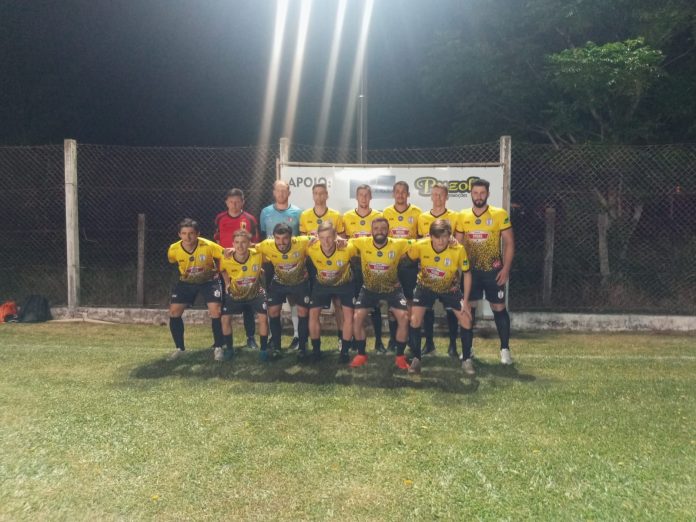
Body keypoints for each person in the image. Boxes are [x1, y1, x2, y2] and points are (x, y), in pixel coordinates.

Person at [456, 178, 515, 365]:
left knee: (498, 308)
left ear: (488, 194)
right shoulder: (463, 215)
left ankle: (505, 349)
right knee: (468, 309)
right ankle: (468, 349)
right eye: (475, 193)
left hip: (493, 271)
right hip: (470, 273)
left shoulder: (499, 214)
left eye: (482, 193)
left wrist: (506, 269)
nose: (479, 196)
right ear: (471, 194)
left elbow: (509, 243)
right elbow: (457, 246)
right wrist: (456, 272)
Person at [407, 220, 474, 375]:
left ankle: (467, 360)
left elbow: (467, 273)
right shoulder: (420, 245)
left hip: (450, 288)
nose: (441, 241)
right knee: (414, 319)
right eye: (437, 237)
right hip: (425, 287)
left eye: (444, 237)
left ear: (450, 236)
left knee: (466, 319)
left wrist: (466, 301)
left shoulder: (458, 249)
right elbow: (406, 255)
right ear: (430, 236)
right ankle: (416, 359)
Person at [349, 217, 413, 369]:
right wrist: (338, 241)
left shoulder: (398, 243)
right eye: (376, 228)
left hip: (392, 289)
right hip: (369, 289)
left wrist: (449, 241)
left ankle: (400, 356)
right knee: (357, 318)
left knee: (404, 317)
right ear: (371, 231)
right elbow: (344, 242)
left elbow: (420, 243)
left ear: (388, 231)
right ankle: (361, 354)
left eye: (383, 229)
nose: (380, 231)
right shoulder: (362, 242)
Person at [166, 218, 225, 360]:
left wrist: (221, 270)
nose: (187, 237)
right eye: (184, 233)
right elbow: (172, 260)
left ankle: (219, 347)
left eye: (191, 233)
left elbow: (225, 256)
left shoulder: (209, 245)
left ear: (198, 234)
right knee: (174, 312)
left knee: (216, 311)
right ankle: (180, 349)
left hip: (209, 281)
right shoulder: (173, 249)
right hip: (187, 281)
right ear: (179, 234)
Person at [417, 182, 462, 358]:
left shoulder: (455, 216)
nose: (437, 198)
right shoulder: (422, 217)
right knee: (426, 308)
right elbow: (419, 244)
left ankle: (453, 346)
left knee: (451, 308)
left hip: (448, 271)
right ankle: (429, 344)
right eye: (434, 194)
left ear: (447, 197)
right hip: (428, 271)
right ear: (430, 196)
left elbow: (458, 243)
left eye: (441, 194)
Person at [254, 223, 311, 359]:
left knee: (303, 312)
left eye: (285, 238)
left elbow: (321, 240)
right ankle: (277, 348)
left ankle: (302, 348)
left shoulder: (302, 242)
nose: (281, 242)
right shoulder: (266, 245)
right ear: (273, 237)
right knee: (273, 311)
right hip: (279, 282)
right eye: (278, 238)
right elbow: (251, 248)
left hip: (299, 282)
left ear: (291, 237)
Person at [300, 183, 346, 349]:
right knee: (313, 306)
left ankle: (341, 339)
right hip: (314, 264)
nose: (319, 196)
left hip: (334, 264)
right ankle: (309, 342)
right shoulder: (305, 215)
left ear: (327, 195)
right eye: (316, 193)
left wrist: (338, 239)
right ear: (313, 196)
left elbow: (343, 239)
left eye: (322, 193)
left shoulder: (335, 215)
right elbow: (302, 242)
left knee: (339, 303)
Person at [214, 188, 260, 350]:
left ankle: (250, 338)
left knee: (248, 304)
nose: (234, 205)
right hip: (226, 268)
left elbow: (255, 244)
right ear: (226, 202)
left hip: (245, 268)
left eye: (237, 202)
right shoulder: (220, 218)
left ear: (243, 202)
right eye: (231, 202)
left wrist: (238, 250)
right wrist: (219, 263)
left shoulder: (250, 219)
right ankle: (221, 339)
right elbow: (217, 243)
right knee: (222, 304)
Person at [259, 180, 303, 349]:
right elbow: (263, 236)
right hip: (272, 262)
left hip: (292, 262)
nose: (281, 194)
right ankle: (273, 336)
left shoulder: (298, 212)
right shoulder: (265, 212)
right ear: (274, 192)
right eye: (278, 190)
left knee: (293, 299)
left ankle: (297, 335)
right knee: (272, 302)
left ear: (289, 193)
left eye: (284, 191)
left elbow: (301, 238)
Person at [342, 184, 386, 353]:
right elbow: (343, 243)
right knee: (355, 305)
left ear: (371, 197)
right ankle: (354, 340)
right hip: (354, 266)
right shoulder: (347, 216)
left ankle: (379, 342)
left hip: (372, 266)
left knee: (375, 305)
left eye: (367, 195)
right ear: (356, 197)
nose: (364, 198)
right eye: (361, 195)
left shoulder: (378, 216)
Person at [306, 222, 356, 362]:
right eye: (322, 237)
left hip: (344, 284)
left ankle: (345, 352)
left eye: (329, 237)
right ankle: (316, 351)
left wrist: (342, 239)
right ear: (317, 237)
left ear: (335, 236)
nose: (326, 241)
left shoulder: (347, 248)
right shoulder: (311, 247)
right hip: (322, 284)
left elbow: (363, 244)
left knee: (348, 315)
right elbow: (293, 241)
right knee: (313, 313)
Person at [382, 181, 421, 351]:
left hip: (409, 264)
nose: (400, 195)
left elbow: (420, 240)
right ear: (393, 194)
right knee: (392, 301)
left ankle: (410, 339)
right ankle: (393, 339)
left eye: (403, 192)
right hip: (392, 264)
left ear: (408, 194)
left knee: (409, 301)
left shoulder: (417, 213)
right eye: (397, 191)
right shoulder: (386, 212)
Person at [218, 230, 269, 361]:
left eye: (243, 242)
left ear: (249, 243)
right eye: (237, 242)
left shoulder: (258, 254)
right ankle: (229, 349)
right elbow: (223, 270)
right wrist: (227, 283)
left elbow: (271, 247)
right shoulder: (226, 257)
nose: (240, 246)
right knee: (225, 319)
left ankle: (264, 350)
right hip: (235, 293)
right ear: (232, 244)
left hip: (255, 293)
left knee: (263, 318)